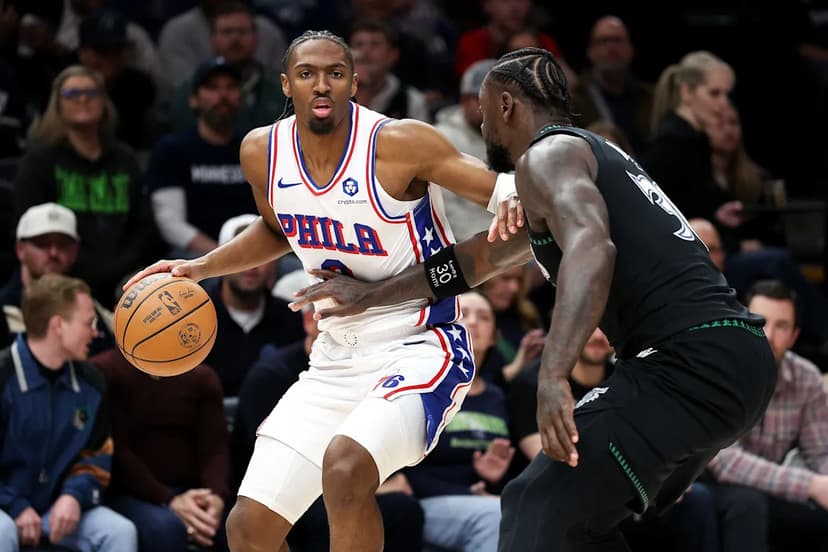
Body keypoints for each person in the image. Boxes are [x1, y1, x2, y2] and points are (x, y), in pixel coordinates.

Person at [290, 47, 778, 551]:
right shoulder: (579, 164)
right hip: (730, 360)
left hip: (687, 360)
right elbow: (475, 262)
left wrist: (552, 374)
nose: (482, 131)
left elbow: (593, 247)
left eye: (482, 114)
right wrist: (372, 294)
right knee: (577, 521)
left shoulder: (548, 155)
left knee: (534, 500)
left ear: (506, 105)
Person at [124, 30, 526, 552]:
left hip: (421, 345)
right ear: (285, 84)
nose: (322, 84)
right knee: (248, 529)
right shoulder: (261, 151)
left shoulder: (399, 144)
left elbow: (508, 201)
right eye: (307, 73)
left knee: (345, 469)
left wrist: (517, 197)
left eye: (335, 73)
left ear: (355, 84)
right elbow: (276, 229)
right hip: (336, 358)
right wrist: (201, 268)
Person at [0, 274, 137, 552]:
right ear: (58, 325)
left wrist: (74, 496)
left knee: (120, 532)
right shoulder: (4, 376)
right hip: (4, 509)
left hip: (59, 509)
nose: (97, 332)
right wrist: (15, 505)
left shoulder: (92, 381)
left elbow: (98, 454)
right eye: (89, 323)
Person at [13, 65, 161, 305]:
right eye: (72, 94)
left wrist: (119, 267)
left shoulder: (125, 159)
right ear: (57, 104)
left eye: (91, 93)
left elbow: (144, 228)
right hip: (63, 272)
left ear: (104, 101)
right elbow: (28, 226)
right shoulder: (40, 161)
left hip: (125, 278)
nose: (83, 99)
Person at [707, 280, 828, 552]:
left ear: (795, 336)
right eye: (760, 322)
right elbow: (725, 461)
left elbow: (820, 452)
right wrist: (812, 485)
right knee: (748, 504)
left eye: (781, 326)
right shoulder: (718, 373)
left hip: (776, 489)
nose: (769, 335)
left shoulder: (806, 378)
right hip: (713, 486)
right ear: (741, 321)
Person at [92, 347, 232, 552]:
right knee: (165, 529)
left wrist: (215, 497)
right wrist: (169, 500)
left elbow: (216, 449)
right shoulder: (107, 370)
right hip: (131, 493)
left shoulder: (201, 376)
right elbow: (118, 452)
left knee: (239, 523)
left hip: (194, 491)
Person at [145, 57, 257, 257]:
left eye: (230, 87)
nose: (223, 95)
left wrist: (258, 258)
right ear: (194, 99)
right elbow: (170, 223)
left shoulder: (257, 147)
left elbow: (274, 215)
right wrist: (221, 257)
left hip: (257, 255)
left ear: (240, 96)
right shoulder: (171, 150)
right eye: (212, 88)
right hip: (196, 255)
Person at [204, 214, 304, 396]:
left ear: (276, 261)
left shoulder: (292, 316)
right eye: (241, 255)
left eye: (261, 256)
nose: (251, 265)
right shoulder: (195, 315)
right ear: (219, 260)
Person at [0, 202, 116, 355]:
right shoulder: (4, 307)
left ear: (75, 252)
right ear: (20, 250)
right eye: (43, 244)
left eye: (63, 245)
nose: (53, 253)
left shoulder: (89, 303)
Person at [165, 1, 288, 134]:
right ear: (212, 40)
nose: (235, 39)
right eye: (227, 32)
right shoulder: (188, 93)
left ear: (256, 39)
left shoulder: (279, 94)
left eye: (242, 32)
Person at [569, 16, 653, 154]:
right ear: (590, 51)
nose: (611, 47)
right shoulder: (574, 101)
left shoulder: (649, 98)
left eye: (617, 40)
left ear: (630, 49)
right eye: (603, 41)